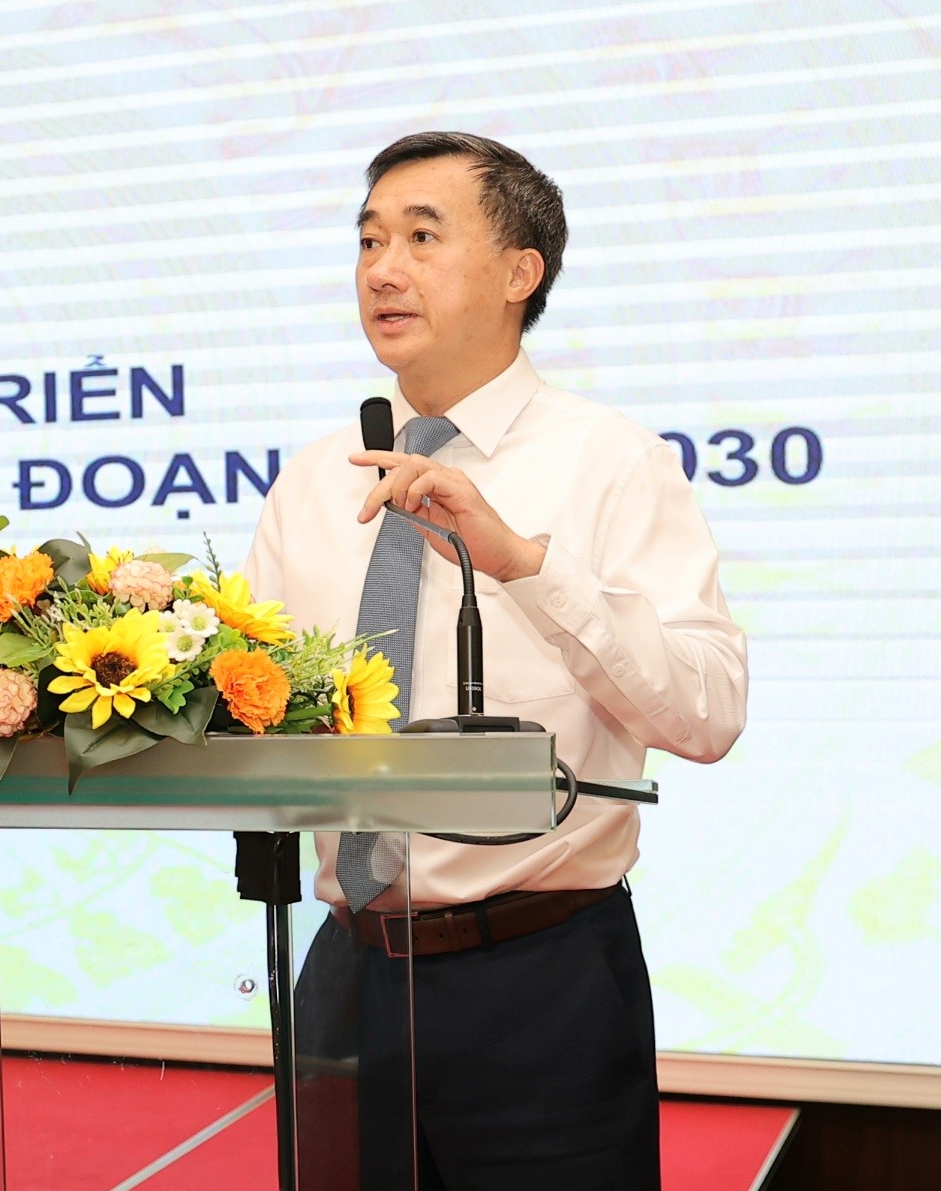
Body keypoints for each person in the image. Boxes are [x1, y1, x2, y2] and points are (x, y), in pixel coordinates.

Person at [243, 132, 748, 1191]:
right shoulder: (313, 479)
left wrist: (526, 566)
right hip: (344, 973)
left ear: (521, 272)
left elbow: (707, 715)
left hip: (539, 979)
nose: (383, 270)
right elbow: (260, 720)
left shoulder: (610, 461)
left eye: (422, 238)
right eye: (369, 241)